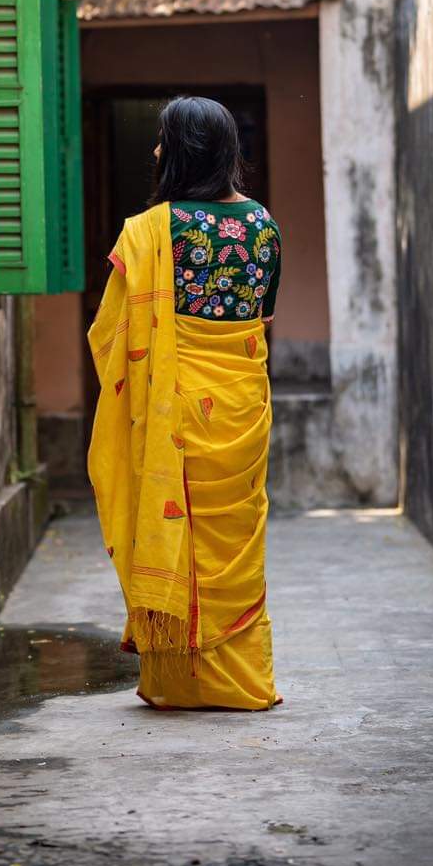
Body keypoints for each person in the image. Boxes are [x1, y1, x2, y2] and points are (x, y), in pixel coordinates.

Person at [87, 95, 282, 711]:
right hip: (240, 407)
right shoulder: (263, 226)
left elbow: (110, 332)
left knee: (177, 532)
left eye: (161, 141)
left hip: (172, 411)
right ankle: (241, 683)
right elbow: (262, 316)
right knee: (234, 541)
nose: (153, 151)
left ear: (179, 152)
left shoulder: (149, 232)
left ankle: (175, 682)